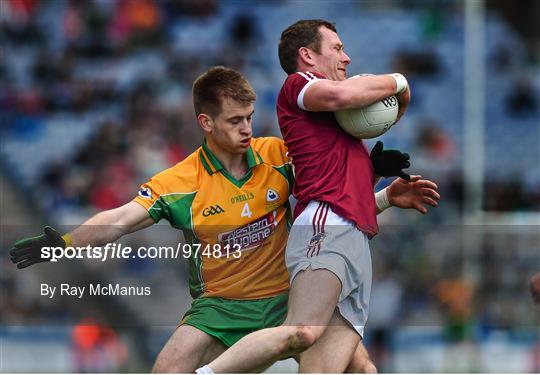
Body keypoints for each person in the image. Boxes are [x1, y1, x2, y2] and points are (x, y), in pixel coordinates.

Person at [10, 66, 438, 373]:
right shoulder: (180, 182)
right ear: (206, 123)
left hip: (290, 298)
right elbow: (121, 219)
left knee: (361, 368)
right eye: (235, 121)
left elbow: (328, 200)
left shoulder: (277, 155)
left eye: (249, 118)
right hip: (219, 309)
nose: (247, 129)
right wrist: (62, 244)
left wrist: (375, 185)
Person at [196, 19, 434, 374]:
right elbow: (343, 95)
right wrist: (399, 81)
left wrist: (382, 195)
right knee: (301, 331)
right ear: (307, 55)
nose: (347, 57)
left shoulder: (341, 125)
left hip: (352, 238)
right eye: (337, 48)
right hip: (326, 232)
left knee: (359, 370)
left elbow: (343, 193)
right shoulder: (299, 84)